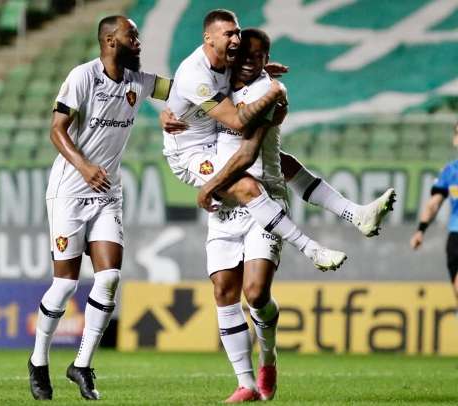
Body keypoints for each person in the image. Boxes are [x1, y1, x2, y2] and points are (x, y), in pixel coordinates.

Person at [200, 28, 396, 402]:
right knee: (224, 292)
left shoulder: (268, 92)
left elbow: (245, 151)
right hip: (227, 208)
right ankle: (245, 385)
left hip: (263, 200)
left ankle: (268, 358)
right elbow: (184, 90)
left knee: (255, 294)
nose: (253, 63)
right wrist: (171, 116)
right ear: (234, 56)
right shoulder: (215, 82)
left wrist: (207, 187)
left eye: (261, 57)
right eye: (247, 56)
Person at [27, 16, 174, 401]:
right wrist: (85, 166)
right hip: (70, 191)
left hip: (108, 193)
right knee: (66, 284)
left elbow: (181, 90)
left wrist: (244, 82)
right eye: (132, 35)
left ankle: (81, 365)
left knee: (109, 279)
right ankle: (38, 361)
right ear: (110, 41)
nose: (139, 41)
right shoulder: (82, 77)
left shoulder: (139, 82)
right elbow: (57, 129)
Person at [163, 9, 347, 271]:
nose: (236, 39)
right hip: (192, 154)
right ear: (209, 38)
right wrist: (273, 93)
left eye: (237, 32)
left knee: (279, 160)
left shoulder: (223, 58)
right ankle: (310, 248)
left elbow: (172, 87)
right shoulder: (195, 73)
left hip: (214, 139)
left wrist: (170, 106)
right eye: (229, 33)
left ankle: (351, 211)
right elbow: (238, 121)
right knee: (247, 186)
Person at [410, 122, 458, 310]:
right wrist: (420, 230)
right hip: (455, 239)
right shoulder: (450, 172)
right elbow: (433, 204)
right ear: (455, 140)